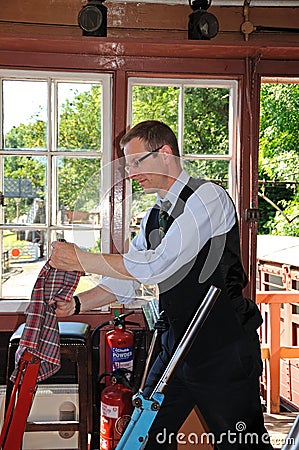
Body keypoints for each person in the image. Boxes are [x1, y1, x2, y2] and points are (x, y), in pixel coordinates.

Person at [49, 120, 273, 449]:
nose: (130, 172)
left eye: (136, 162)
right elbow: (127, 279)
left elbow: (156, 266)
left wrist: (81, 258)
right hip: (175, 348)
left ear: (165, 154)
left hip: (222, 350)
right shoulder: (156, 215)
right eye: (126, 165)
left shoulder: (207, 198)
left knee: (241, 444)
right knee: (144, 439)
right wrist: (78, 304)